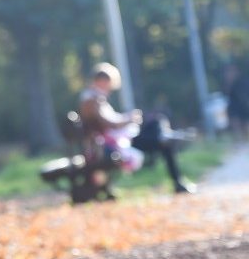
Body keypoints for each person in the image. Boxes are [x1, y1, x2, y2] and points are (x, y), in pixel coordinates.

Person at [78, 62, 195, 194]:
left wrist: (127, 119)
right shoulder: (92, 99)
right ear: (100, 81)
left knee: (158, 122)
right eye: (107, 83)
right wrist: (129, 119)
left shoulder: (95, 98)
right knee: (160, 132)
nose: (109, 88)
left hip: (118, 140)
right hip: (114, 144)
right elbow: (109, 124)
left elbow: (110, 122)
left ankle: (166, 135)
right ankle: (168, 138)